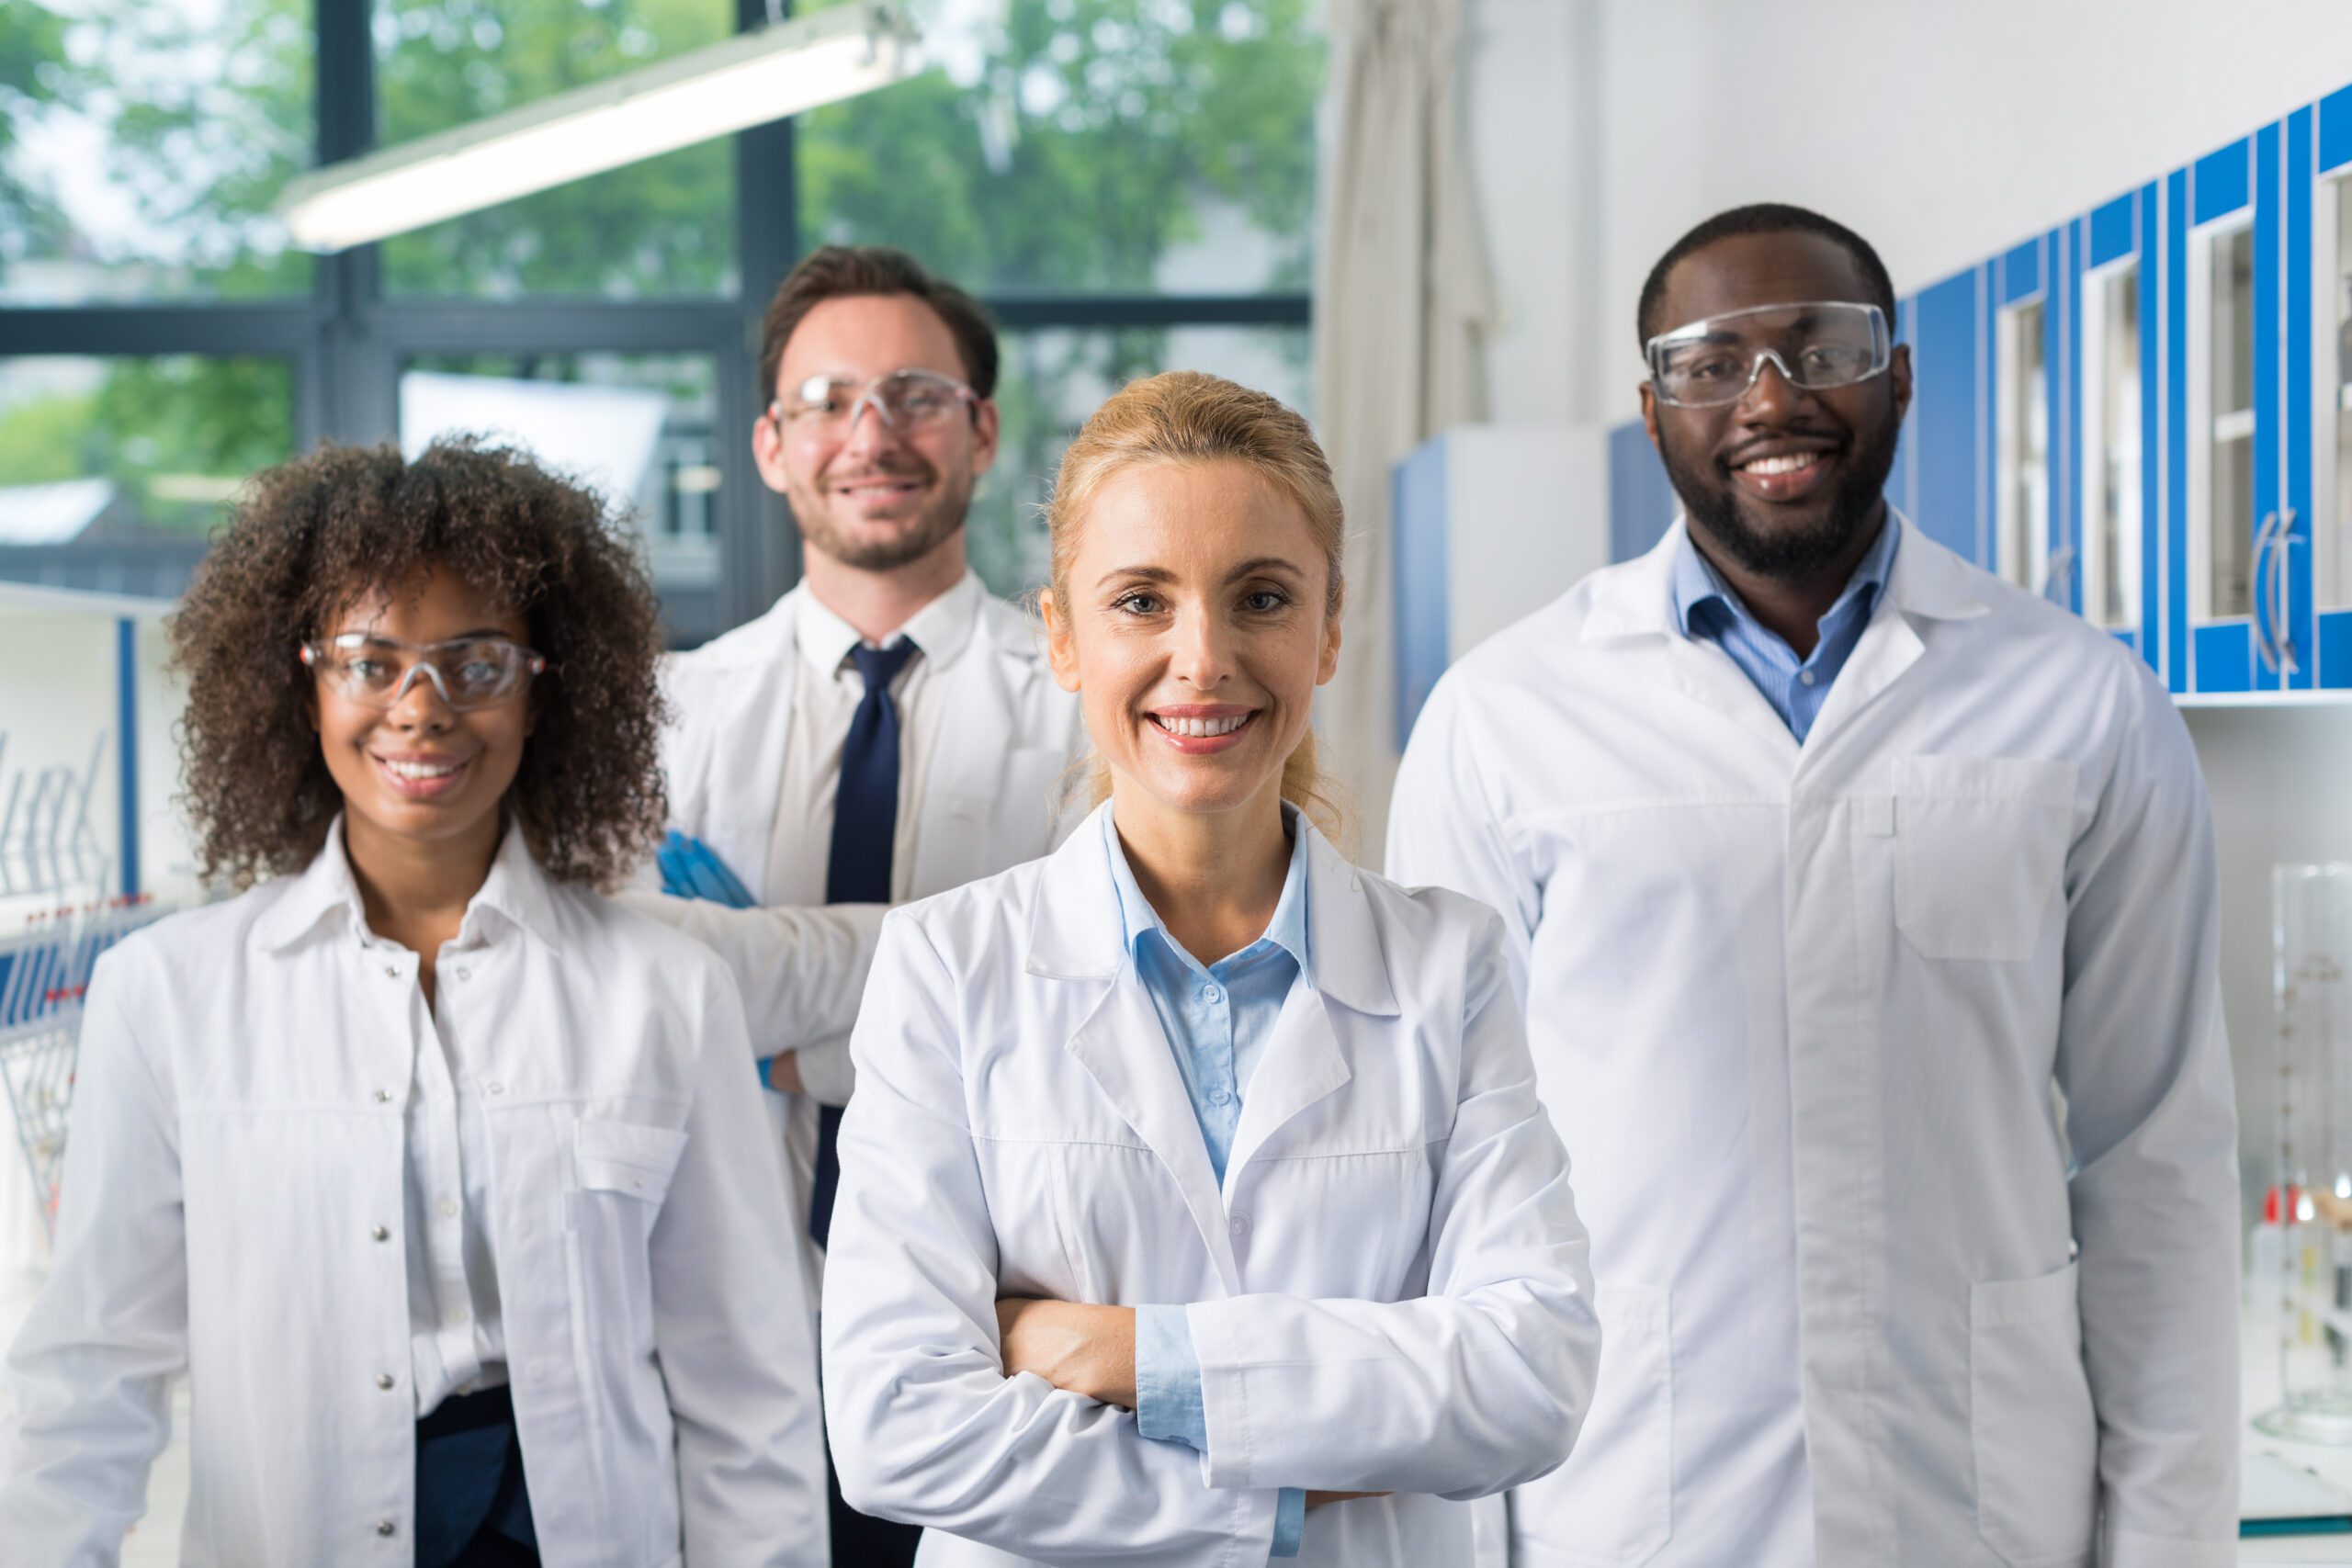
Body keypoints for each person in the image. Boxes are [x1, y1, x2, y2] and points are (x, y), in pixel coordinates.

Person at [1389, 203, 2240, 1565]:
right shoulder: (1502, 718)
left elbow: (2158, 1169)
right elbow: (1440, 1197)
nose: (1770, 397)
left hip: (1975, 1506)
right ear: (1654, 407)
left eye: (1821, 347)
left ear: (1902, 371)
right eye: (1711, 362)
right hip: (1624, 1507)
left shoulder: (2084, 701)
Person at [820, 370, 1601, 1566]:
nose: (1205, 657)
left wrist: (1116, 1352)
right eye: (1142, 599)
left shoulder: (1450, 963)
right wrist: (1281, 1492)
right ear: (1064, 638)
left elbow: (1529, 1374)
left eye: (1262, 597)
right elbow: (895, 1426)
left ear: (1330, 626)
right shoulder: (949, 966)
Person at [0, 440, 828, 1566]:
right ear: (301, 684)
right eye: (368, 661)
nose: (420, 708)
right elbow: (91, 1371)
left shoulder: (666, 994)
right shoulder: (168, 994)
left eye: (476, 662)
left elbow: (748, 1388)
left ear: (546, 690)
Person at [657, 246, 1083, 1565]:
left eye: (914, 394)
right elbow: (633, 999)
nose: (873, 433)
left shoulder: (1085, 704)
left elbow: (1075, 1010)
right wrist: (970, 964)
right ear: (773, 444)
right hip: (726, 1329)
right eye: (830, 400)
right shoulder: (661, 720)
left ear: (983, 431)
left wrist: (760, 1024)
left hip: (1011, 1330)